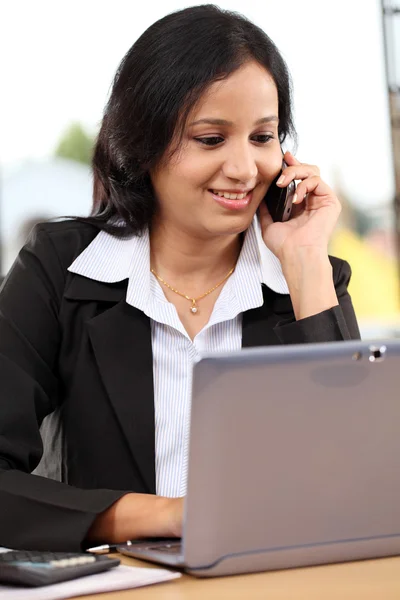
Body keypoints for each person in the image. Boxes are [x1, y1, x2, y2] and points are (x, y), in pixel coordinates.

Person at [0, 4, 360, 552]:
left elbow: (358, 492)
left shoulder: (305, 280)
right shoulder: (62, 270)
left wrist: (307, 262)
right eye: (211, 139)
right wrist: (165, 516)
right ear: (141, 143)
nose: (244, 169)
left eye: (262, 137)